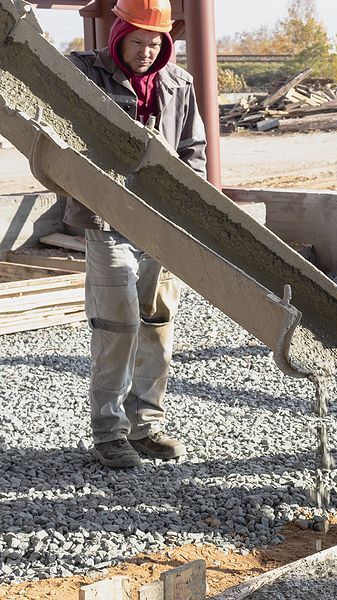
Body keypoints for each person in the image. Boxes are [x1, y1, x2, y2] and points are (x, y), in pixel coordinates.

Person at [64, 0, 207, 468]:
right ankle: (109, 432)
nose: (145, 51)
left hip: (162, 225)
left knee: (158, 323)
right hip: (106, 219)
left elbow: (193, 152)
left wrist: (192, 215)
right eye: (137, 40)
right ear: (118, 34)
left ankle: (146, 426)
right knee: (118, 324)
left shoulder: (178, 84)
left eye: (154, 43)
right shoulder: (85, 73)